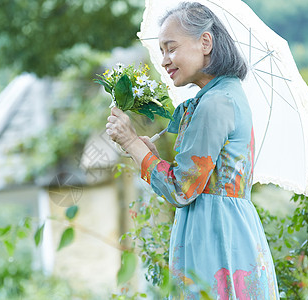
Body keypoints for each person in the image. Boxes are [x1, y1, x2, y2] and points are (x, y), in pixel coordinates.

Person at [106, 2, 279, 299]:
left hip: (216, 236)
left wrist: (131, 142)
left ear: (206, 42)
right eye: (161, 51)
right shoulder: (224, 94)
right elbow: (195, 180)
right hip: (224, 227)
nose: (163, 60)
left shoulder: (215, 103)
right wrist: (146, 153)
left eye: (170, 48)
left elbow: (181, 189)